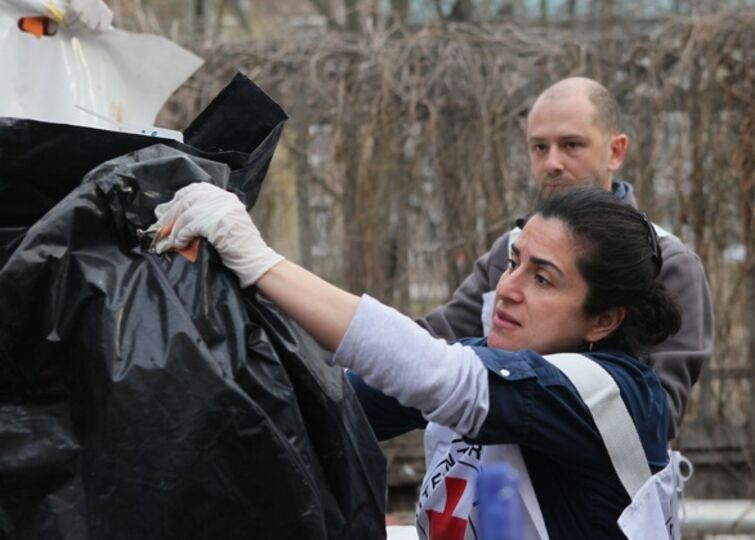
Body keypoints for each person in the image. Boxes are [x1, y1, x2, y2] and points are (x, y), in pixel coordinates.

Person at [153, 184, 681, 539]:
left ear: (603, 320)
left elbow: (435, 375)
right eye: (513, 263)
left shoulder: (615, 395)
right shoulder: (491, 362)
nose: (507, 290)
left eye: (542, 279)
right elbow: (326, 402)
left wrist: (261, 262)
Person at [419, 77, 713, 439]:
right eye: (539, 147)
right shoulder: (509, 249)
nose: (551, 163)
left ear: (615, 152)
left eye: (571, 145)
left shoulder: (668, 262)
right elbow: (433, 343)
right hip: (491, 486)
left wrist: (500, 394)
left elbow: (656, 417)